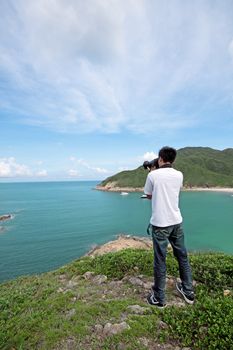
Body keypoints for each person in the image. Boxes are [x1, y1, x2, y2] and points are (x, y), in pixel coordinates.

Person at [144, 146, 194, 308]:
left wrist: (151, 170)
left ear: (160, 158)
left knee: (160, 260)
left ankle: (159, 297)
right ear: (172, 159)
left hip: (160, 225)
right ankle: (188, 291)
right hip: (176, 222)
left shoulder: (152, 175)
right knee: (182, 256)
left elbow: (150, 196)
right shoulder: (179, 174)